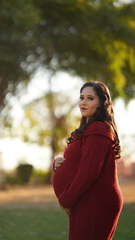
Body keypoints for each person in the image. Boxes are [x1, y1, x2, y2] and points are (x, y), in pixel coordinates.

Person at [52, 81, 123, 240]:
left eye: (90, 98)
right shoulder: (89, 129)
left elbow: (89, 171)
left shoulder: (98, 129)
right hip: (86, 199)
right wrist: (59, 163)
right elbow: (79, 162)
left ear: (102, 103)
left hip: (96, 201)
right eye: (81, 97)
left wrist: (66, 199)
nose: (83, 102)